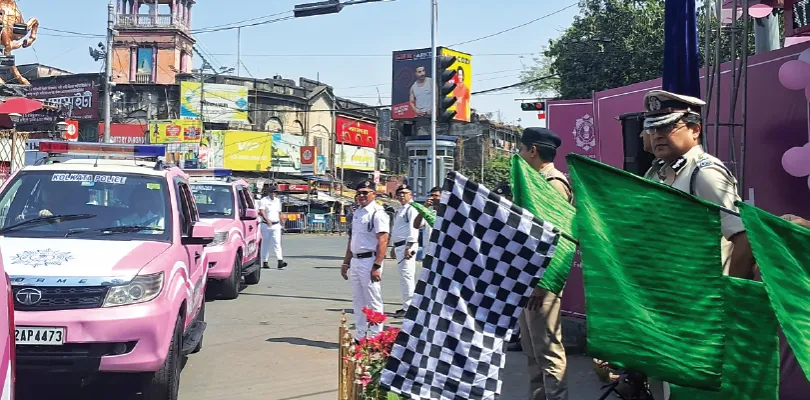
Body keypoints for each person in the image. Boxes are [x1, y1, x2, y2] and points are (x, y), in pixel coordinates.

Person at [640, 90, 756, 399]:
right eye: (653, 127)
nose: (658, 134)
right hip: (665, 305)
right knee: (663, 390)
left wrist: (729, 303)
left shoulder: (705, 173)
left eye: (668, 126)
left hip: (700, 310)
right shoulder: (657, 173)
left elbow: (744, 238)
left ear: (695, 129)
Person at [517, 127, 572, 400]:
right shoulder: (535, 182)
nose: (519, 154)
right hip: (529, 279)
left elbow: (556, 240)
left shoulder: (553, 184)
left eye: (522, 149)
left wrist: (543, 283)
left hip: (543, 283)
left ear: (533, 151)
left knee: (548, 350)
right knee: (532, 351)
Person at [341, 180, 390, 342]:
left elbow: (383, 240)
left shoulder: (378, 213)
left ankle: (376, 336)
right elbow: (352, 239)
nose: (361, 196)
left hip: (370, 260)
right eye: (359, 193)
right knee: (358, 299)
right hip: (356, 260)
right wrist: (346, 262)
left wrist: (377, 265)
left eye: (365, 192)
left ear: (373, 194)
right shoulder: (358, 212)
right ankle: (360, 334)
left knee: (373, 299)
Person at [389, 184, 420, 318]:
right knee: (404, 277)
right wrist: (393, 247)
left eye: (405, 193)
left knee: (407, 276)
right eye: (399, 193)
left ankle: (409, 308)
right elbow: (398, 230)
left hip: (407, 246)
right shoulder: (401, 209)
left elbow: (414, 229)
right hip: (400, 246)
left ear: (410, 194)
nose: (402, 195)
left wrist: (409, 246)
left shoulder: (411, 208)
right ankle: (406, 305)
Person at [258, 184, 287, 270]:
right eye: (272, 192)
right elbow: (262, 212)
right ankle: (265, 261)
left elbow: (279, 212)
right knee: (266, 244)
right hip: (266, 225)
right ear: (269, 192)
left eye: (275, 192)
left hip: (276, 224)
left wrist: (282, 222)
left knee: (277, 243)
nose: (274, 193)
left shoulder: (277, 201)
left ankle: (280, 261)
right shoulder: (264, 200)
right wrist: (267, 220)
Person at [413, 186, 442, 262]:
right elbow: (416, 225)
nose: (433, 198)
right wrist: (424, 208)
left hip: (441, 253)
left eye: (436, 195)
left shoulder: (446, 211)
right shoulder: (428, 211)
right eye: (431, 195)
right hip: (427, 253)